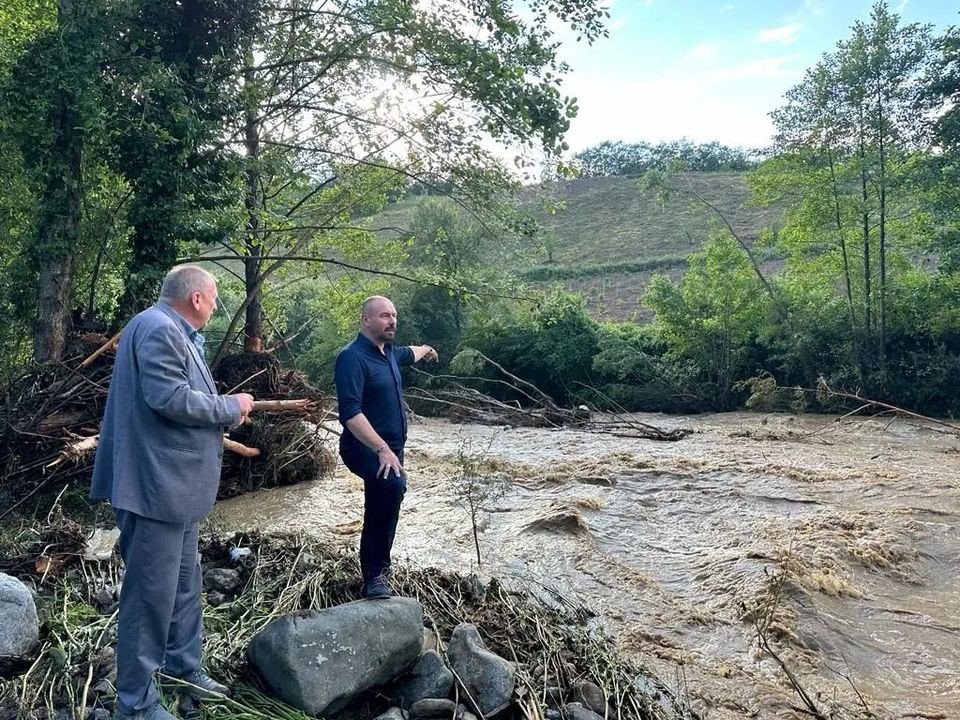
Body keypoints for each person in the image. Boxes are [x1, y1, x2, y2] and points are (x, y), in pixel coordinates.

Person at [91, 265, 255, 720]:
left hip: (171, 490)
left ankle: (186, 670)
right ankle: (136, 704)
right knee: (148, 598)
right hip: (154, 488)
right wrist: (229, 406)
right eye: (215, 297)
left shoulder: (164, 328)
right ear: (197, 298)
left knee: (184, 587)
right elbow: (168, 398)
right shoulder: (161, 328)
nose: (218, 305)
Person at [334, 295, 438, 599]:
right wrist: (381, 449)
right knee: (392, 486)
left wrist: (427, 350)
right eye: (383, 315)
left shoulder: (390, 353)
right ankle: (375, 577)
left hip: (392, 448)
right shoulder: (352, 357)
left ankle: (377, 570)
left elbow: (413, 353)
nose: (391, 320)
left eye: (394, 315)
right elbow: (350, 413)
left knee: (384, 500)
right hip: (363, 447)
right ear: (366, 320)